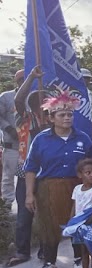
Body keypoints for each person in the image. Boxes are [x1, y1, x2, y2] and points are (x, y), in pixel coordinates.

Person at [24, 91, 92, 268]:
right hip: (48, 188)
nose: (67, 118)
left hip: (77, 189)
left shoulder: (83, 138)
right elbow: (31, 168)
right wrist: (29, 194)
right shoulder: (41, 139)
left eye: (70, 114)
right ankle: (49, 262)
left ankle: (77, 259)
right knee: (49, 226)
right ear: (52, 118)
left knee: (76, 223)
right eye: (62, 115)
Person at [5, 67, 48, 268]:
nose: (40, 105)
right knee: (24, 214)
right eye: (36, 101)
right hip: (25, 174)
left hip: (48, 175)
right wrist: (31, 77)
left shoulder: (54, 123)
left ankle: (46, 250)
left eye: (43, 101)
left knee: (46, 214)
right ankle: (22, 251)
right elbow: (18, 100)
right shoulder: (24, 119)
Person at [0, 69, 24, 207]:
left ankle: (25, 204)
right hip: (12, 145)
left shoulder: (33, 96)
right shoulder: (6, 97)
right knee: (8, 176)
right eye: (21, 79)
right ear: (17, 81)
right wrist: (9, 128)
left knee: (28, 176)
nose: (23, 82)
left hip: (28, 146)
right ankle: (8, 204)